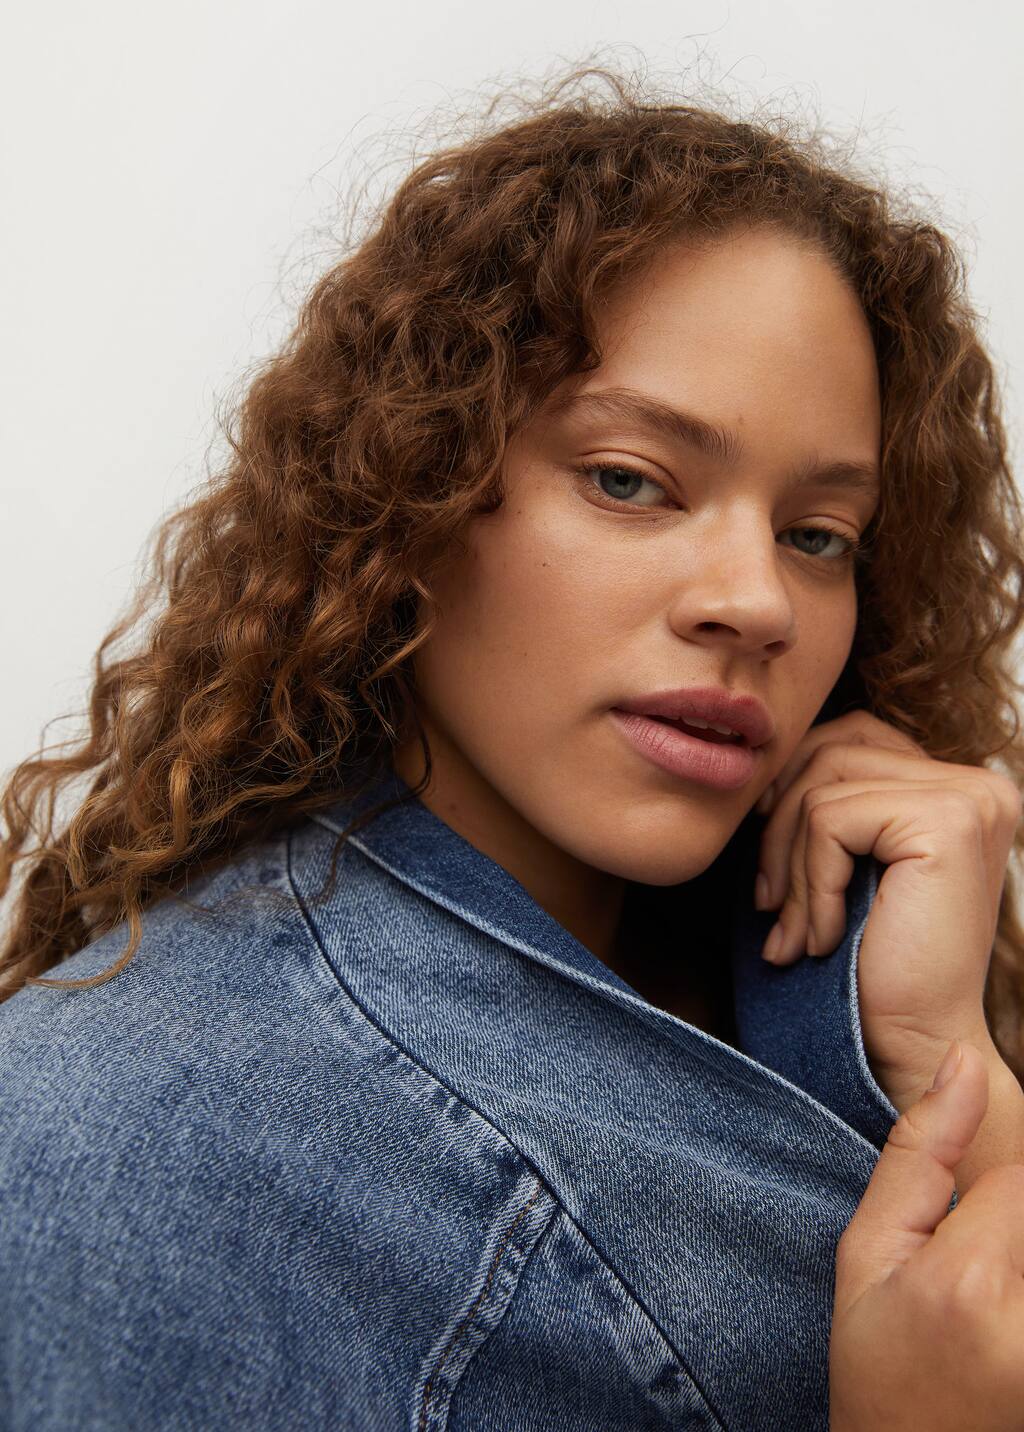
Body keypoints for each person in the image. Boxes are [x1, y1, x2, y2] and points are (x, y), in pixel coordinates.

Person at [1, 65, 1023, 1430]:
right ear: (414, 496)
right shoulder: (141, 1141)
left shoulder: (823, 968)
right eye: (629, 480)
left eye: (818, 535)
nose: (759, 601)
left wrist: (942, 1057)